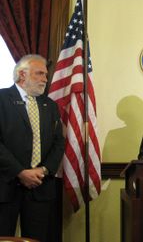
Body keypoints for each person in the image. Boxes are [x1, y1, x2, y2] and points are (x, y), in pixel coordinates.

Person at [0, 54, 65, 241]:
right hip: (5, 185)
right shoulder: (2, 99)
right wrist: (20, 171)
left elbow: (58, 142)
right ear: (22, 74)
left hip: (40, 186)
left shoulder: (50, 106)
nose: (45, 79)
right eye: (40, 74)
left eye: (45, 74)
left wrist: (42, 170)